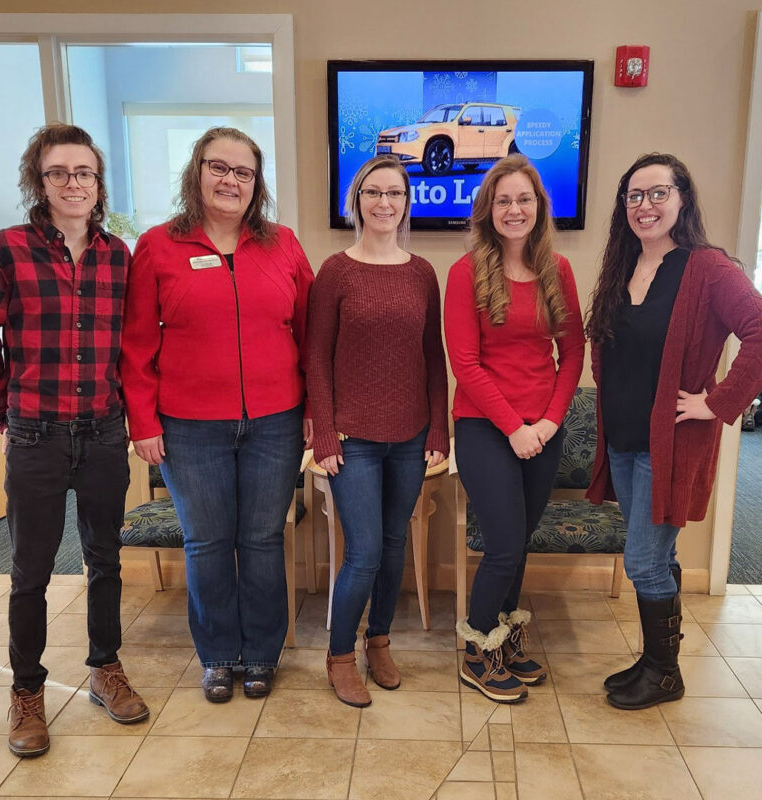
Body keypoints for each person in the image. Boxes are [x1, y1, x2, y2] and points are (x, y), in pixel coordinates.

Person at [0, 124, 148, 758]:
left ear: (98, 183)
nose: (73, 184)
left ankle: (105, 667)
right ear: (37, 182)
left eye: (84, 173)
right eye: (58, 173)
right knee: (29, 572)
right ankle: (26, 692)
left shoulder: (117, 256)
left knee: (104, 560)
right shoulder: (5, 250)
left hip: (102, 434)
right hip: (36, 436)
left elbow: (128, 349)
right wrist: (7, 414)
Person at [120, 127, 314, 702]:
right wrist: (144, 423)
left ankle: (260, 654)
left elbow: (310, 335)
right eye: (219, 167)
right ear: (196, 172)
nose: (231, 180)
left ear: (257, 184)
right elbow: (135, 345)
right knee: (206, 543)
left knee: (260, 539)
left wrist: (314, 412)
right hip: (188, 425)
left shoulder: (283, 245)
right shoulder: (157, 246)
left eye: (244, 172)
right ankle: (218, 655)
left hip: (276, 421)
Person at [586, 152, 762, 710]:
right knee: (654, 557)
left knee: (641, 559)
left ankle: (666, 673)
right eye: (634, 196)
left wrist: (719, 402)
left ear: (682, 198)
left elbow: (759, 329)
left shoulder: (707, 268)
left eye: (658, 193)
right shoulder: (624, 266)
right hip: (624, 441)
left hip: (670, 446)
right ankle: (654, 659)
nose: (645, 206)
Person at [307, 155, 449, 708]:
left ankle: (379, 640)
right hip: (353, 439)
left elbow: (432, 356)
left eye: (394, 193)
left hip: (411, 437)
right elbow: (316, 357)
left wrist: (440, 425)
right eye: (373, 193)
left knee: (394, 548)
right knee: (363, 551)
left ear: (407, 202)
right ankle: (340, 655)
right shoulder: (336, 271)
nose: (384, 202)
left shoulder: (422, 273)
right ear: (357, 201)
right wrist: (324, 432)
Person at [444, 155, 584, 703]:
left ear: (539, 207)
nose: (514, 209)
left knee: (519, 544)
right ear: (488, 210)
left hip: (543, 430)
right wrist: (513, 427)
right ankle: (477, 652)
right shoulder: (465, 272)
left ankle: (505, 642)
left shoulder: (560, 271)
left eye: (524, 199)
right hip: (484, 427)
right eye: (503, 200)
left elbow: (573, 353)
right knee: (502, 545)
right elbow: (466, 363)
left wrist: (547, 422)